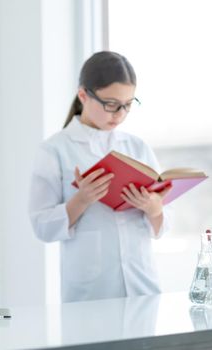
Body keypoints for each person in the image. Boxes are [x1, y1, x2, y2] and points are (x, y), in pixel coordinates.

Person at [28, 51, 171, 303]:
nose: (119, 114)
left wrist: (154, 209)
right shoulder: (54, 150)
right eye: (111, 104)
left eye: (127, 105)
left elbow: (162, 226)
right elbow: (42, 227)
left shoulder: (138, 148)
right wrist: (81, 200)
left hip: (143, 287)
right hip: (90, 294)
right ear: (83, 95)